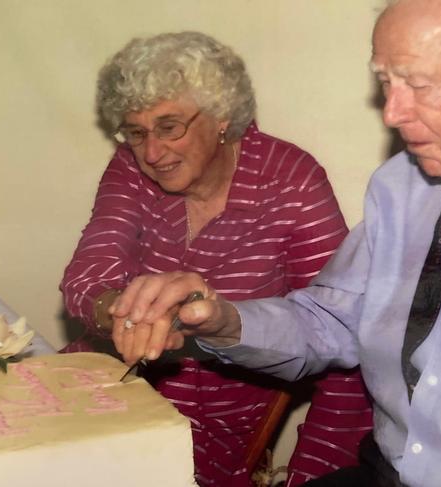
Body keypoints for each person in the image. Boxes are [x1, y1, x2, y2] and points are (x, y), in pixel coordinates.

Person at [104, 1, 441, 485]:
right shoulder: (401, 187)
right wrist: (221, 318)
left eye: (419, 84)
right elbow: (329, 322)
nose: (392, 112)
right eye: (385, 82)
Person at [60, 31, 373, 487]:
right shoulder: (131, 167)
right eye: (136, 132)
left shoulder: (291, 184)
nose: (151, 152)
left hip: (209, 435)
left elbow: (344, 343)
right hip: (106, 403)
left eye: (169, 127)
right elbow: (88, 276)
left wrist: (308, 478)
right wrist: (118, 313)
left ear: (223, 115)